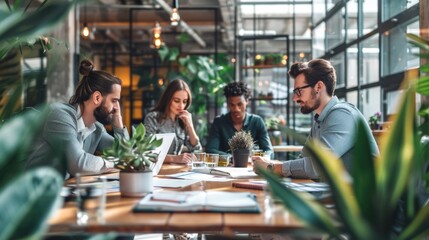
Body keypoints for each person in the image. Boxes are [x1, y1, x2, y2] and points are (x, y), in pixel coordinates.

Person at [253, 59, 379, 179]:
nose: (295, 98)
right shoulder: (320, 120)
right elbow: (304, 160)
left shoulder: (343, 114)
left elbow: (318, 165)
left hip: (365, 199)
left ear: (318, 87)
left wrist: (272, 167)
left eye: (299, 91)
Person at [25, 59, 129, 179]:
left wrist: (118, 124)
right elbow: (78, 164)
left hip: (60, 191)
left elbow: (126, 156)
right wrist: (112, 163)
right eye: (114, 100)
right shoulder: (59, 116)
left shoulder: (96, 129)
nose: (117, 108)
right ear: (96, 98)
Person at [205, 81, 273, 157]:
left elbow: (268, 150)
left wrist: (265, 159)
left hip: (251, 167)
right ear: (227, 103)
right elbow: (210, 150)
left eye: (239, 104)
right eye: (232, 105)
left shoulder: (257, 121)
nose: (236, 109)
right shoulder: (219, 122)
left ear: (247, 101)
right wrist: (233, 158)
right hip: (225, 167)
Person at [144, 79, 201, 164]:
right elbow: (147, 153)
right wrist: (174, 158)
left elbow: (197, 150)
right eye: (176, 101)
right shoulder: (153, 118)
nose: (181, 105)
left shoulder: (183, 120)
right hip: (157, 170)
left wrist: (190, 125)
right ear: (168, 99)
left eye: (184, 101)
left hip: (176, 170)